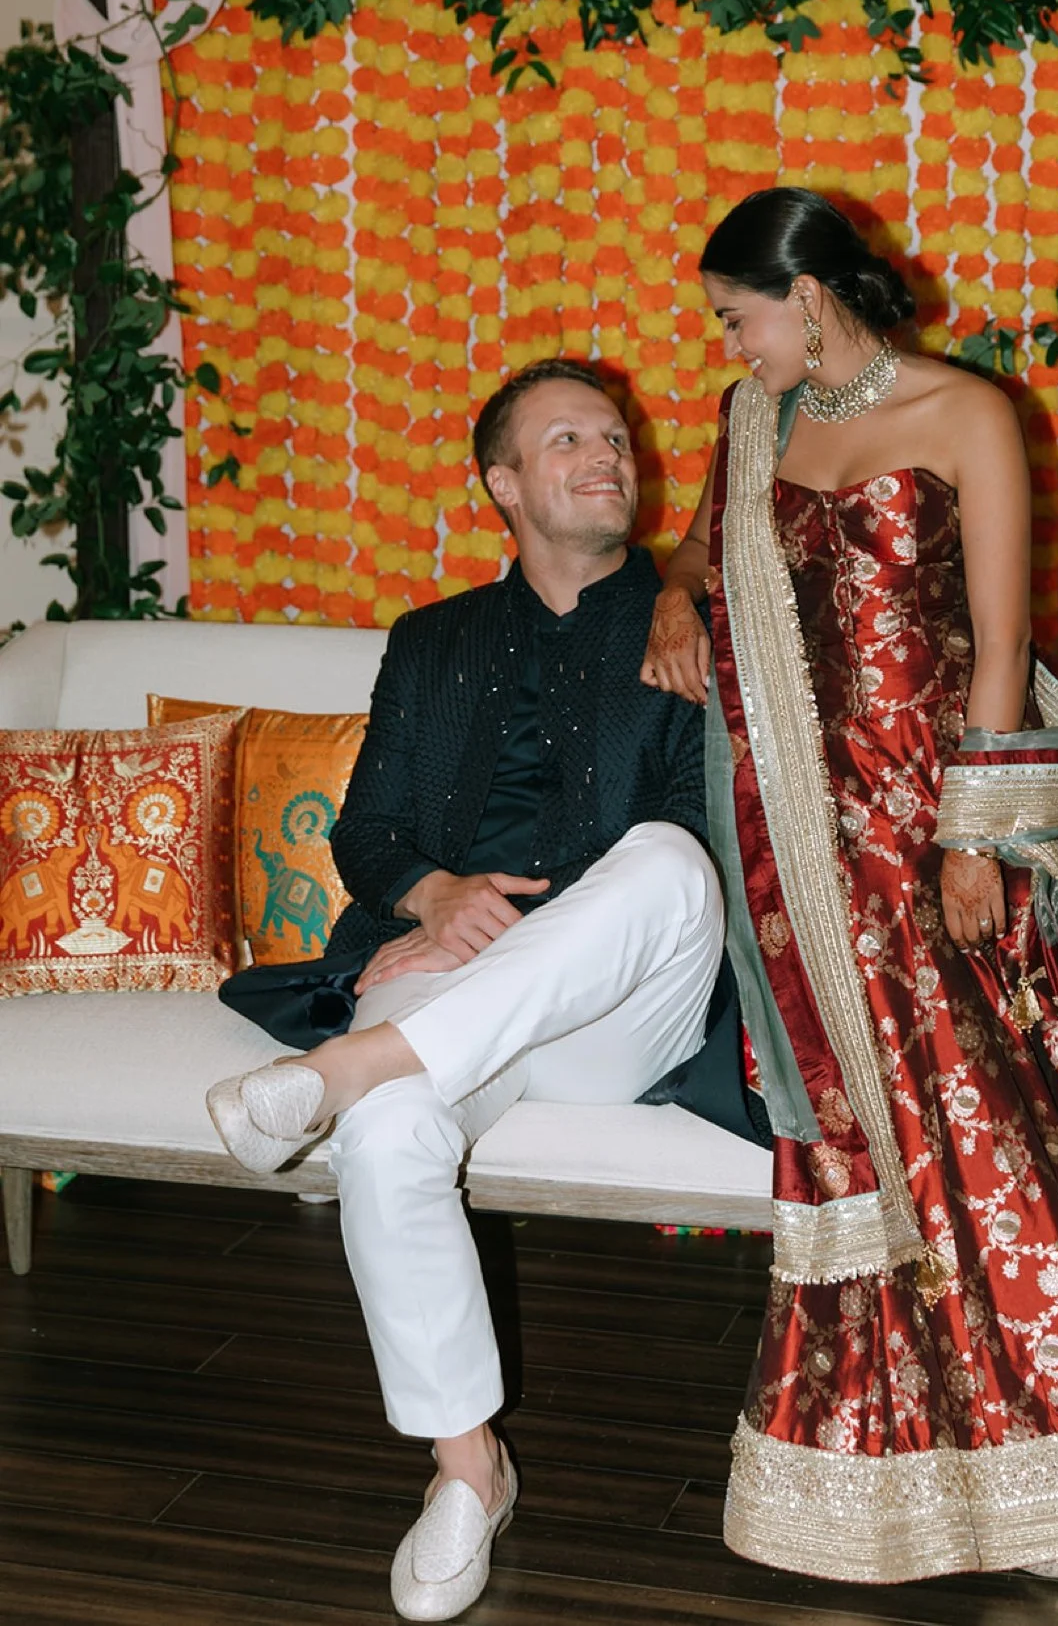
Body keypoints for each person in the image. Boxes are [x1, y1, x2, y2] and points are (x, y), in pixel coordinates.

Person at [640, 187, 1058, 1586]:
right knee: (871, 1132)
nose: (729, 343)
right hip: (806, 843)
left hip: (943, 816)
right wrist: (671, 591)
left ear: (809, 295)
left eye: (736, 316)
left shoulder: (967, 413)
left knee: (1006, 1122)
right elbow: (705, 550)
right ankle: (924, 1455)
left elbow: (1004, 643)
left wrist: (973, 838)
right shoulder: (752, 421)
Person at [207, 359, 727, 1623]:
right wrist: (434, 896)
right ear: (501, 483)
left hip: (621, 1005)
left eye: (614, 437)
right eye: (568, 440)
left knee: (667, 859)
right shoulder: (431, 638)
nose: (606, 456)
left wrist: (528, 933)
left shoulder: (681, 624)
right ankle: (465, 1468)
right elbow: (366, 832)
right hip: (452, 975)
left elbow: (702, 824)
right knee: (389, 1132)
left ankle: (343, 1069)